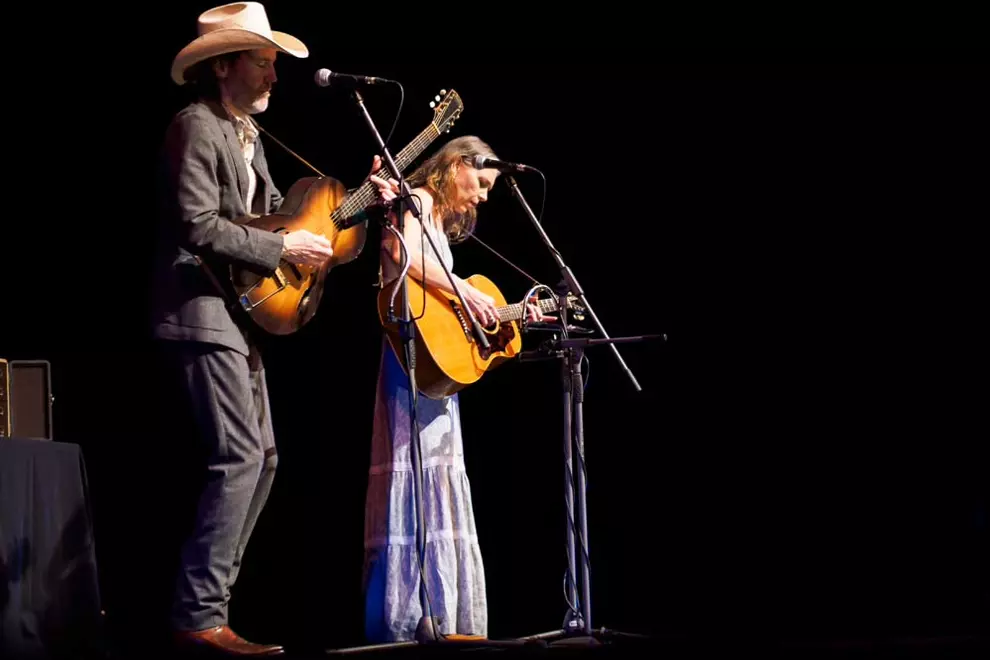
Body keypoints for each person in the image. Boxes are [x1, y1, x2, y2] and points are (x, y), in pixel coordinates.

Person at [151, 3, 398, 656]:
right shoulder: (195, 127)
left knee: (263, 459)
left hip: (237, 316)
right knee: (237, 457)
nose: (274, 76)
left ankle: (209, 611)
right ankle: (197, 618)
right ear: (225, 65)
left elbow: (275, 221)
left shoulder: (250, 139)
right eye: (263, 63)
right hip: (199, 313)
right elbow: (199, 224)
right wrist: (282, 252)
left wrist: (362, 204)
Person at [362, 135, 550, 643]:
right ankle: (409, 617)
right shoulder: (418, 200)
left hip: (436, 369)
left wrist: (511, 314)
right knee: (415, 478)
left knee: (440, 479)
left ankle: (443, 613)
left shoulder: (436, 220)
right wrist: (464, 287)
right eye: (482, 182)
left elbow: (449, 305)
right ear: (457, 165)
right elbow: (400, 260)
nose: (485, 196)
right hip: (410, 359)